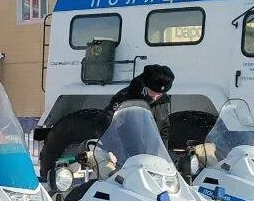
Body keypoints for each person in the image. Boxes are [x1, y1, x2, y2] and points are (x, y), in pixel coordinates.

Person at [38, 64, 175, 182]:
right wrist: (116, 151)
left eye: (160, 94)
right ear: (144, 86)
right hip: (124, 153)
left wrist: (163, 159)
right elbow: (105, 122)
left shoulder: (162, 102)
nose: (156, 97)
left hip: (147, 158)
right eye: (153, 93)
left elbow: (163, 130)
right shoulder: (125, 97)